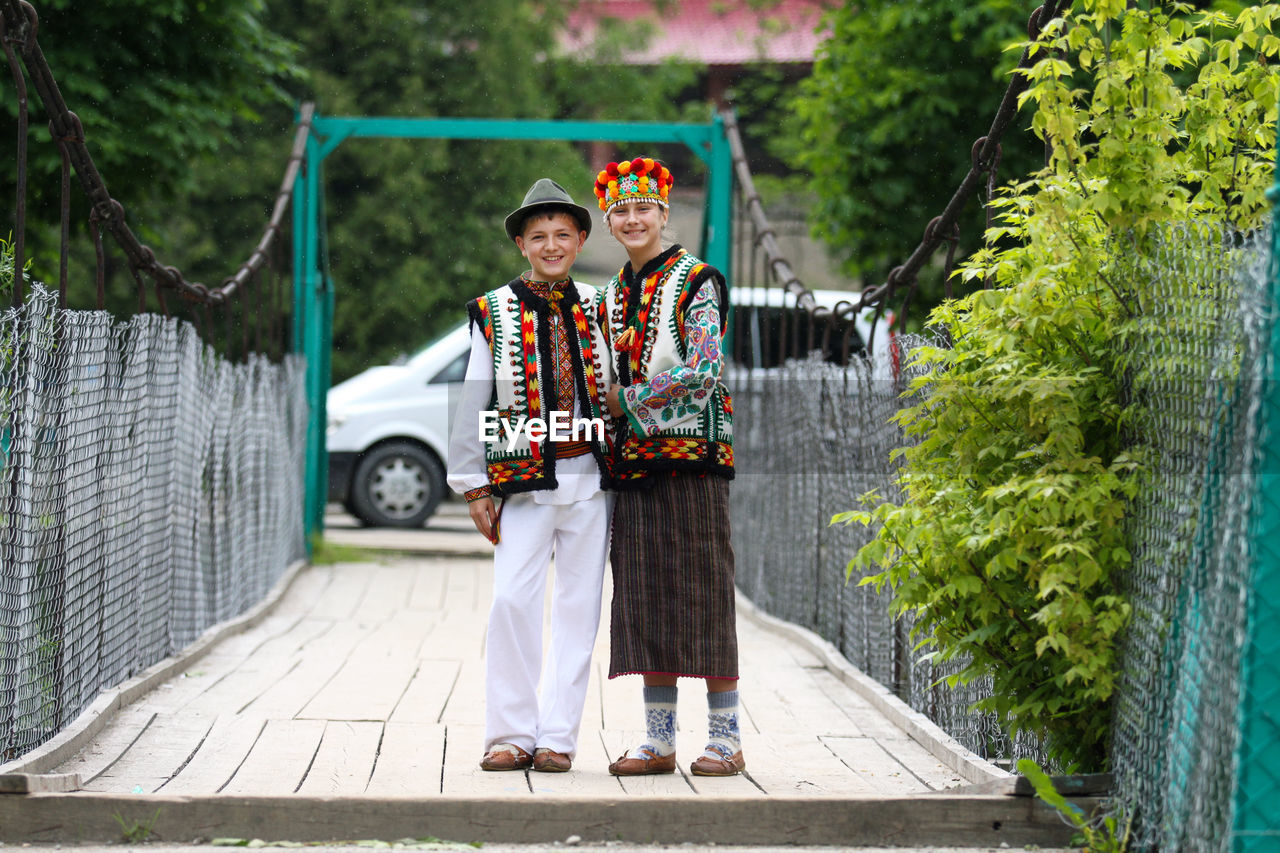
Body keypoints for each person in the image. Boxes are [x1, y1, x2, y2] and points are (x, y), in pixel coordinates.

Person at [446, 178, 614, 774]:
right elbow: (474, 399)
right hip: (522, 482)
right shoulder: (493, 310)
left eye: (562, 235)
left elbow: (617, 388)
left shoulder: (601, 306)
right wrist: (474, 484)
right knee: (513, 601)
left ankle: (558, 737)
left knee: (579, 609)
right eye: (538, 236)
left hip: (592, 479)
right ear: (521, 243)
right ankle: (510, 733)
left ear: (580, 239)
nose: (551, 245)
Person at [590, 156, 744, 777]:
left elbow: (705, 371)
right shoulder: (607, 295)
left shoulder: (696, 282)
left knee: (703, 593)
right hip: (630, 467)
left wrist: (627, 400)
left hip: (693, 464)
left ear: (663, 214)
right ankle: (658, 739)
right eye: (620, 211)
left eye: (642, 208)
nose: (632, 219)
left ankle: (726, 739)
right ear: (609, 220)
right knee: (644, 598)